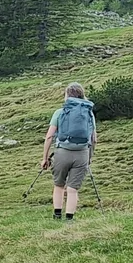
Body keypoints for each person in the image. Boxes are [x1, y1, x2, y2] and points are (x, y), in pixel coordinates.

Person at [41, 83, 96, 221]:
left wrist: (45, 158)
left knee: (59, 185)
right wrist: (89, 158)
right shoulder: (89, 113)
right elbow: (94, 139)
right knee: (73, 189)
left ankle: (57, 215)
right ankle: (69, 218)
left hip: (62, 152)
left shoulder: (60, 112)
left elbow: (49, 137)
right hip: (82, 153)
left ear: (67, 95)